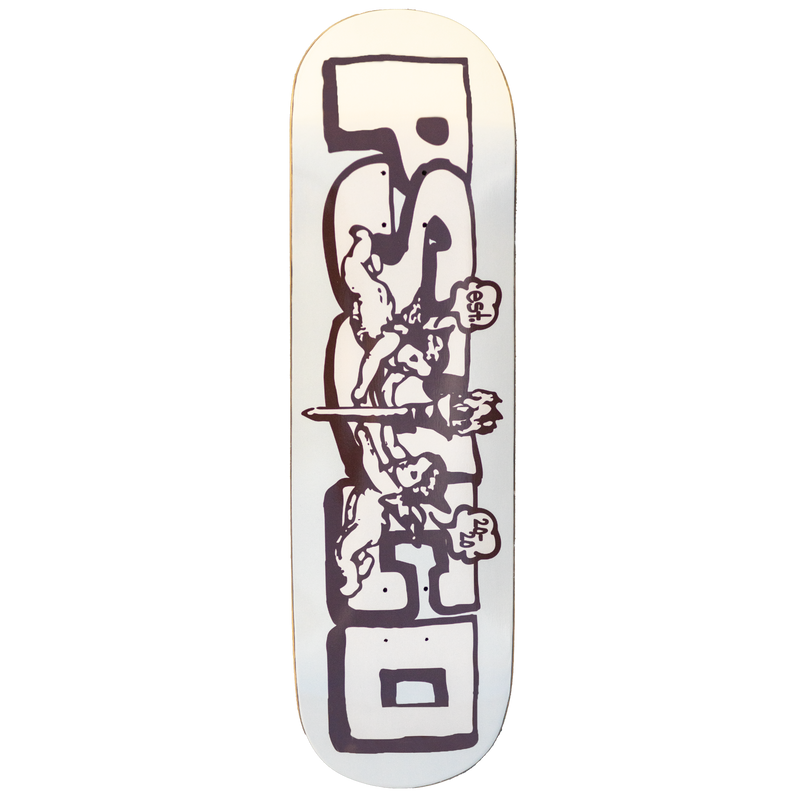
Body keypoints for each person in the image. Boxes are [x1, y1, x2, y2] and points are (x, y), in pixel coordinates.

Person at [336, 424, 448, 597]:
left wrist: (365, 439)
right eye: (414, 461)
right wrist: (386, 425)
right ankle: (363, 562)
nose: (407, 466)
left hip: (368, 526)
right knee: (351, 546)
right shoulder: (399, 471)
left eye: (413, 474)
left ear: (413, 490)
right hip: (362, 520)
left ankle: (352, 580)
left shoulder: (389, 486)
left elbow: (371, 463)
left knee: (343, 553)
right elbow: (392, 446)